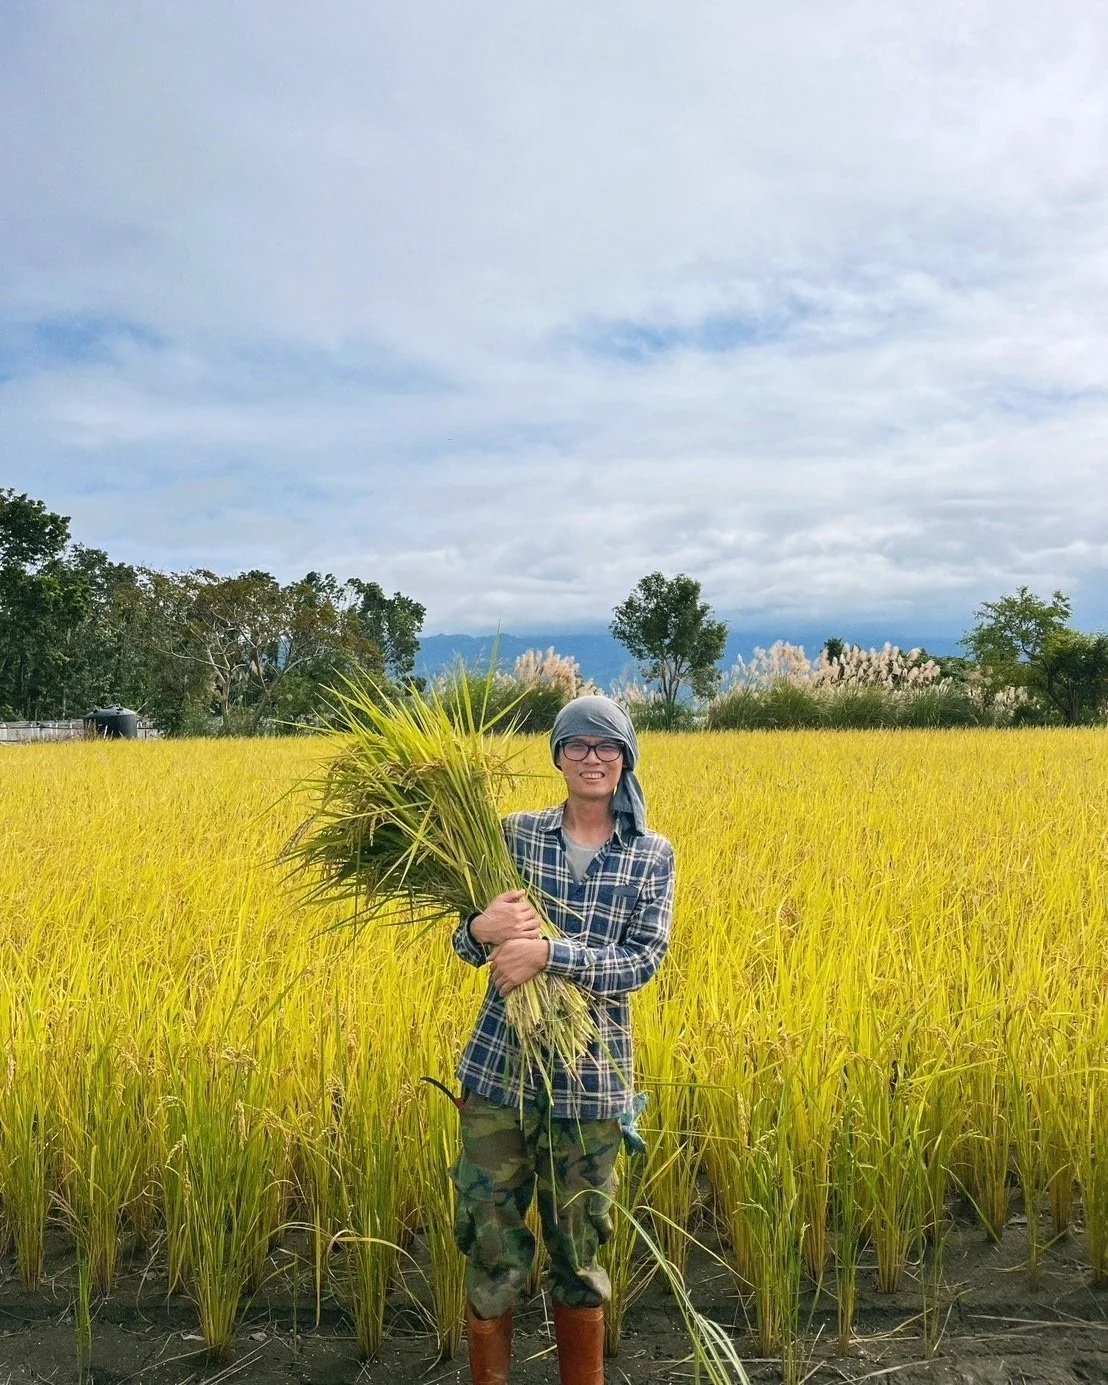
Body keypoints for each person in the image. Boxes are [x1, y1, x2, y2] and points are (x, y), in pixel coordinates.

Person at [449, 694, 676, 1385]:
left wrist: (550, 955)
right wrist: (479, 930)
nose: (592, 758)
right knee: (491, 1241)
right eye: (577, 745)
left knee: (579, 1248)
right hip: (500, 1072)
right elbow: (465, 941)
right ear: (558, 755)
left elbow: (642, 960)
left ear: (625, 757)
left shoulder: (650, 854)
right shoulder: (514, 834)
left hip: (591, 1080)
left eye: (607, 746)